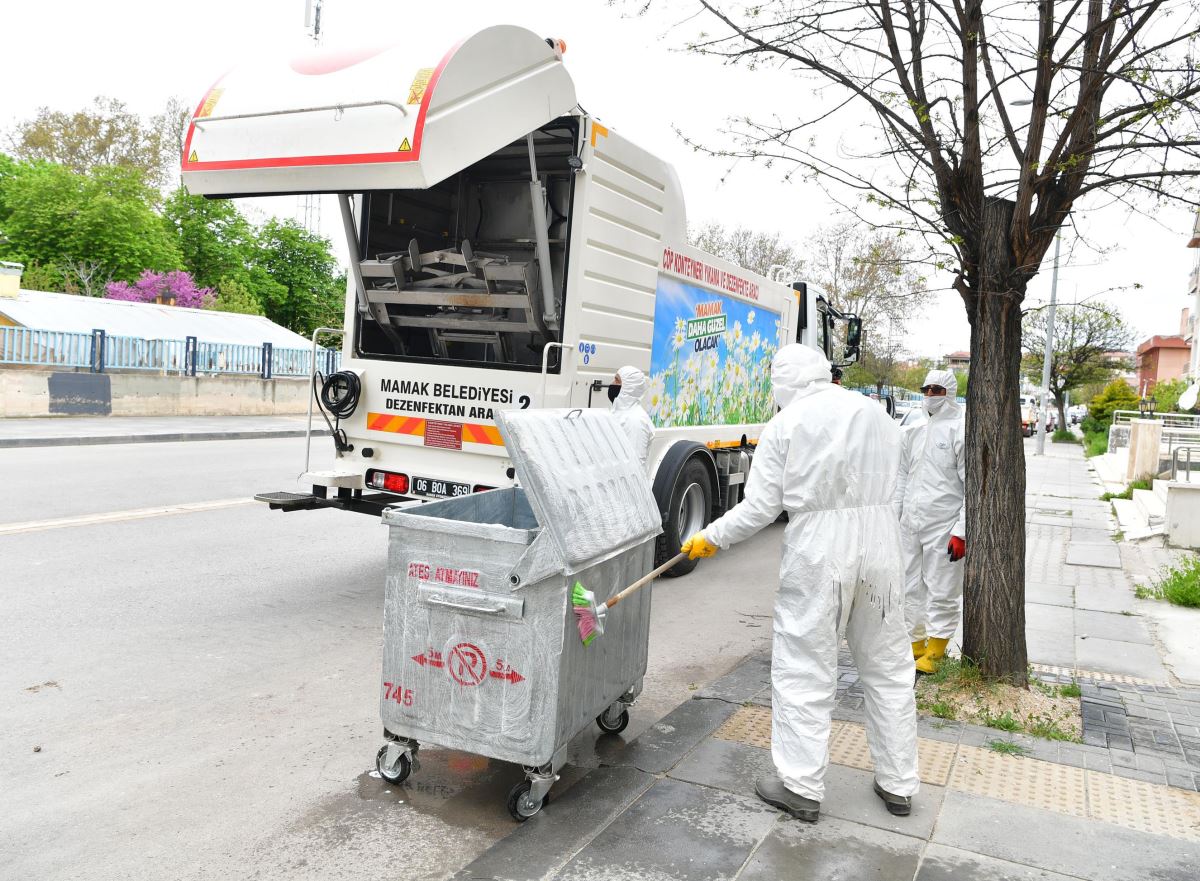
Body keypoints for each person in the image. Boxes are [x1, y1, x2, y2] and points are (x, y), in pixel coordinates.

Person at [681, 344, 918, 823]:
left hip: (819, 549)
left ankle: (801, 787)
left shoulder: (787, 424)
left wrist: (711, 536)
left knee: (804, 665)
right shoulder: (877, 414)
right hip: (882, 544)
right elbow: (904, 484)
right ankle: (898, 784)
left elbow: (761, 507)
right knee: (889, 667)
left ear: (784, 381)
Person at [894, 368, 966, 675]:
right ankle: (915, 644)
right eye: (926, 389)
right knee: (909, 586)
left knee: (942, 588)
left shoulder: (960, 429)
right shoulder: (913, 429)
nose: (930, 395)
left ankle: (937, 650)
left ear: (948, 392)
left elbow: (970, 485)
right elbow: (901, 475)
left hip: (944, 524)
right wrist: (895, 516)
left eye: (936, 389)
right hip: (911, 521)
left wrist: (961, 531)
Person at [608, 366, 655, 471]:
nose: (612, 383)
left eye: (617, 380)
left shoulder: (636, 421)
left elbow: (634, 467)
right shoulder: (620, 413)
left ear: (629, 387)